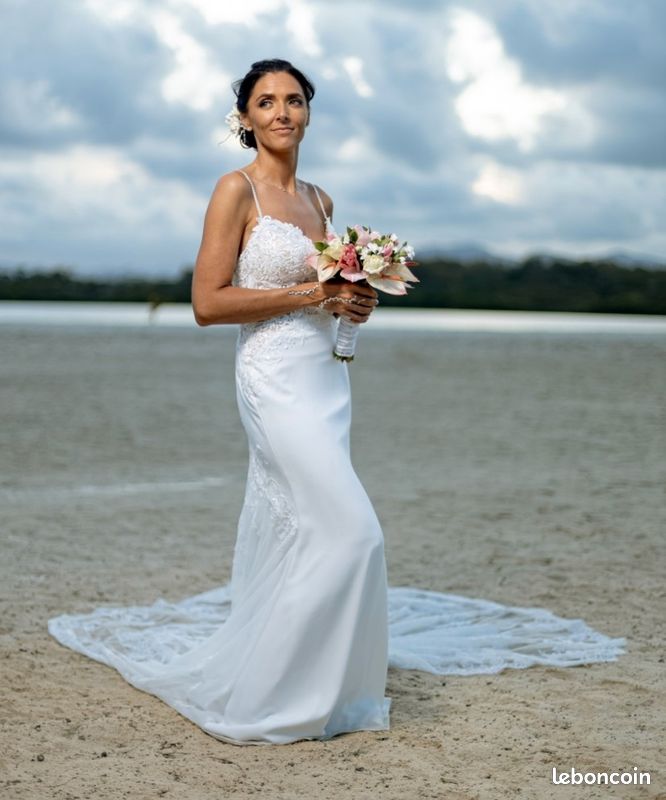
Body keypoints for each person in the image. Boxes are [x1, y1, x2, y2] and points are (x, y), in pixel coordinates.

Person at [47, 59, 626, 747]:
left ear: (309, 113)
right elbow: (207, 304)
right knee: (355, 532)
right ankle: (275, 691)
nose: (282, 112)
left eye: (295, 100)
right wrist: (313, 295)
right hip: (271, 380)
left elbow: (330, 296)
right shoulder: (235, 193)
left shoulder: (321, 201)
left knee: (315, 531)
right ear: (246, 118)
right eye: (266, 102)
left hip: (325, 379)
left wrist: (351, 302)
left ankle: (332, 690)